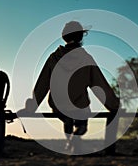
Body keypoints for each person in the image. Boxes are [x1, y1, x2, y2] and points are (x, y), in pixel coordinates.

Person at [28, 21, 119, 149]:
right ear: (81, 37)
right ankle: (77, 133)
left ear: (64, 36)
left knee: (65, 115)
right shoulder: (86, 59)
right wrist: (113, 104)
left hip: (58, 105)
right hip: (79, 106)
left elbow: (42, 84)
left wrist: (32, 107)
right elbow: (99, 84)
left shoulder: (54, 57)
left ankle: (69, 134)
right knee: (81, 117)